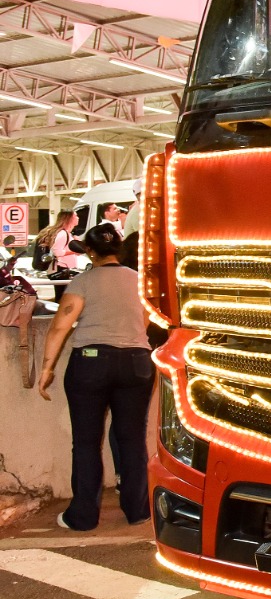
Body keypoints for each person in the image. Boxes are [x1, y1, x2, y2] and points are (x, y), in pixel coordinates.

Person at [36, 224, 154, 531]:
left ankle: (83, 516)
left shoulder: (83, 281)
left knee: (87, 442)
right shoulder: (139, 281)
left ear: (89, 251)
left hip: (91, 363)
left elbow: (60, 326)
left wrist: (46, 369)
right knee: (132, 440)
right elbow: (144, 321)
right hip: (136, 363)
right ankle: (138, 510)